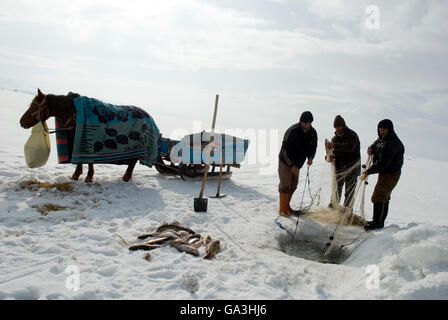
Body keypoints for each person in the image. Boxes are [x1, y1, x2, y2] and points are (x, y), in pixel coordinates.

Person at [361, 119, 405, 231]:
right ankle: (379, 222)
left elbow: (383, 163)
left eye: (384, 130)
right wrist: (371, 147)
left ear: (389, 130)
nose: (382, 132)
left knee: (378, 196)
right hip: (385, 172)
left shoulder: (392, 143)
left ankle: (377, 224)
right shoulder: (383, 139)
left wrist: (368, 171)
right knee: (383, 197)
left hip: (391, 173)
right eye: (380, 130)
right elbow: (376, 144)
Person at [278, 111, 318, 217]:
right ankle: (282, 209)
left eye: (308, 123)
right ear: (300, 122)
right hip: (286, 162)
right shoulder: (292, 131)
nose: (305, 125)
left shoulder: (313, 133)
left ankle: (287, 206)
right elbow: (284, 150)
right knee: (285, 184)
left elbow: (313, 147)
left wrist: (310, 157)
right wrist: (292, 165)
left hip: (298, 163)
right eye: (304, 123)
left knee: (293, 185)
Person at [327, 115, 361, 209]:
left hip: (352, 169)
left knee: (349, 192)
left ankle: (347, 211)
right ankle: (333, 207)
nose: (338, 129)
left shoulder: (352, 135)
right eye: (336, 127)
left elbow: (349, 147)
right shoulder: (334, 139)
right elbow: (331, 153)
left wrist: (335, 146)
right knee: (336, 190)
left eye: (339, 126)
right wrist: (329, 157)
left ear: (343, 125)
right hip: (339, 169)